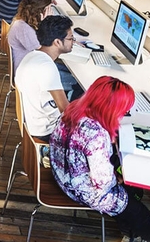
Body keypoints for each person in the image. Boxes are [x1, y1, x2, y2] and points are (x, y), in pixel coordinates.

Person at [50, 76, 150, 239]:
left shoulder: (74, 108)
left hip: (61, 172)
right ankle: (132, 230)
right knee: (141, 215)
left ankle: (128, 228)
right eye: (123, 111)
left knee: (131, 191)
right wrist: (117, 178)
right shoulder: (97, 135)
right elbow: (102, 183)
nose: (123, 115)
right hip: (82, 190)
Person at [15, 15, 73, 142]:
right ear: (57, 42)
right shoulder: (47, 67)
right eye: (71, 38)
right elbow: (66, 111)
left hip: (33, 122)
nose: (73, 42)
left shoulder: (32, 55)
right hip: (46, 131)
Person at [8, 0, 54, 75]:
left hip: (30, 64)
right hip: (27, 73)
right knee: (72, 80)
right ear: (40, 13)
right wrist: (46, 24)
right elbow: (46, 53)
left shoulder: (22, 20)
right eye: (49, 9)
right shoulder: (24, 29)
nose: (52, 12)